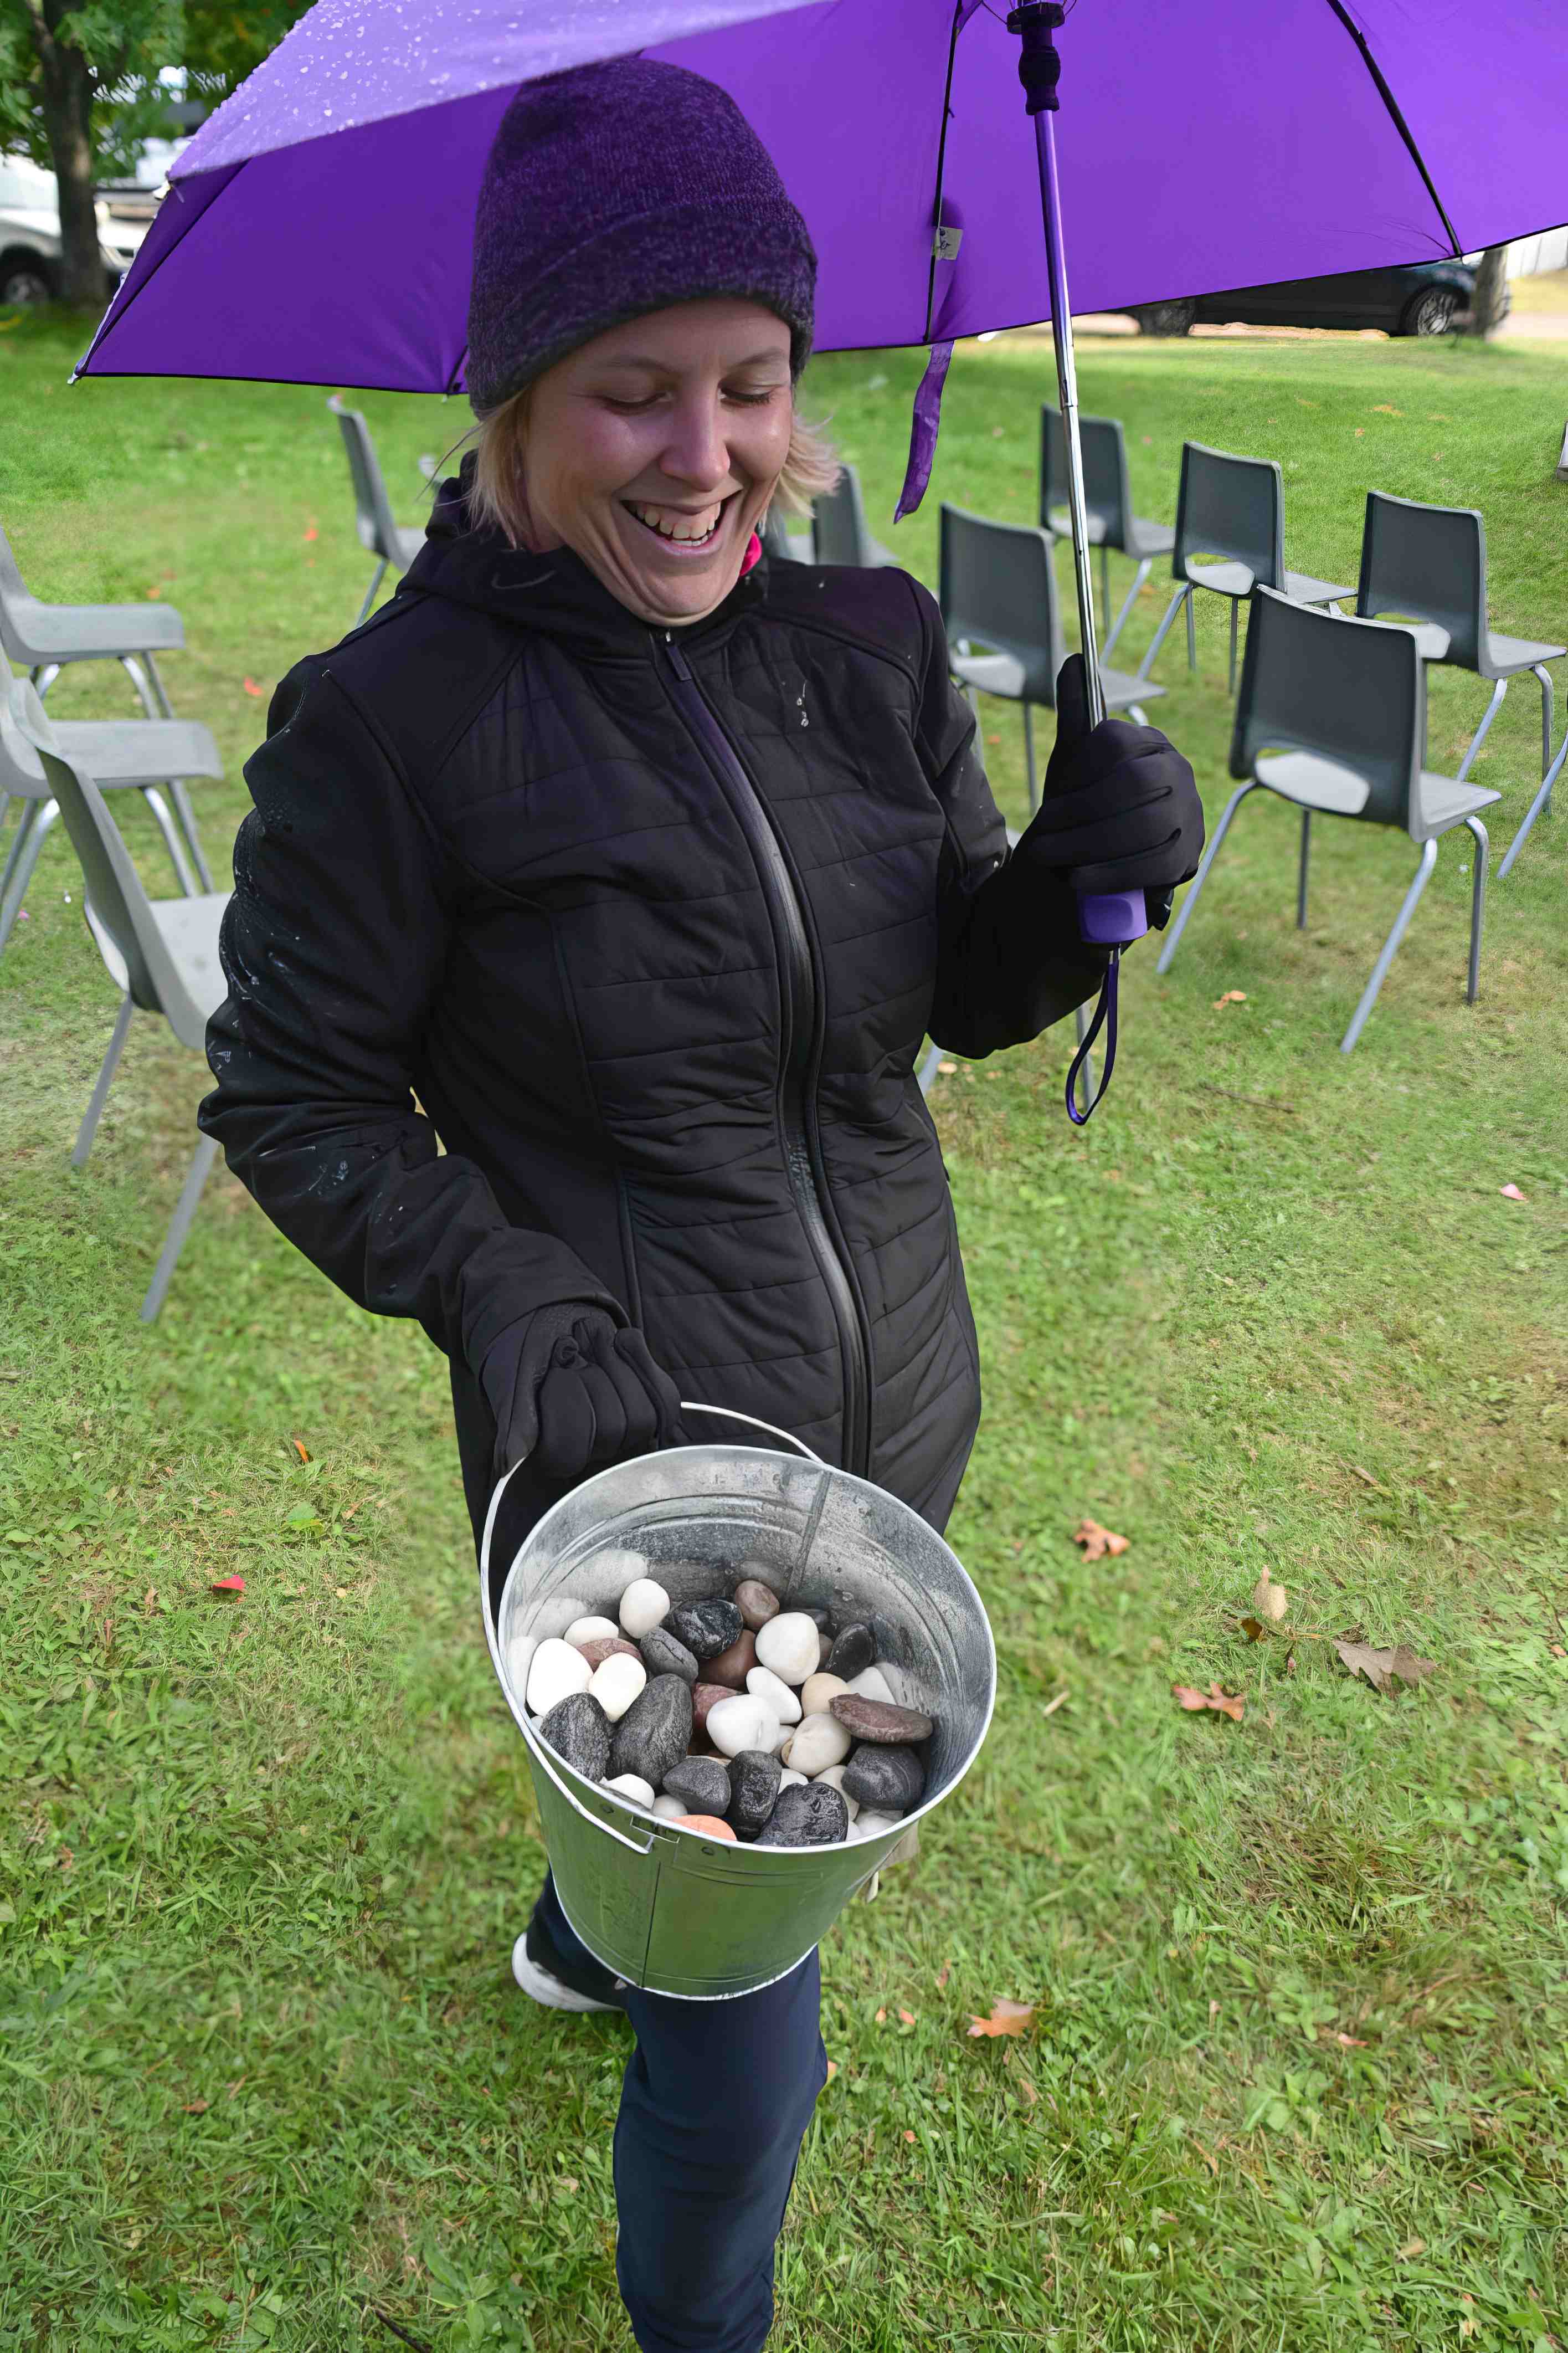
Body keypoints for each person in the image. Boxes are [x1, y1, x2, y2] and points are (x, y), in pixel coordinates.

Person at [198, 55, 1203, 2353]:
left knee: (687, 1880)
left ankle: (590, 1916)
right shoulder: (390, 721)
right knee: (754, 2049)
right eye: (630, 395)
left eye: (749, 385)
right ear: (517, 414)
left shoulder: (865, 649)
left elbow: (941, 993)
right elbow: (295, 1090)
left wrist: (1066, 890)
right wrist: (499, 1287)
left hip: (892, 1412)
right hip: (632, 1455)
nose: (705, 453)